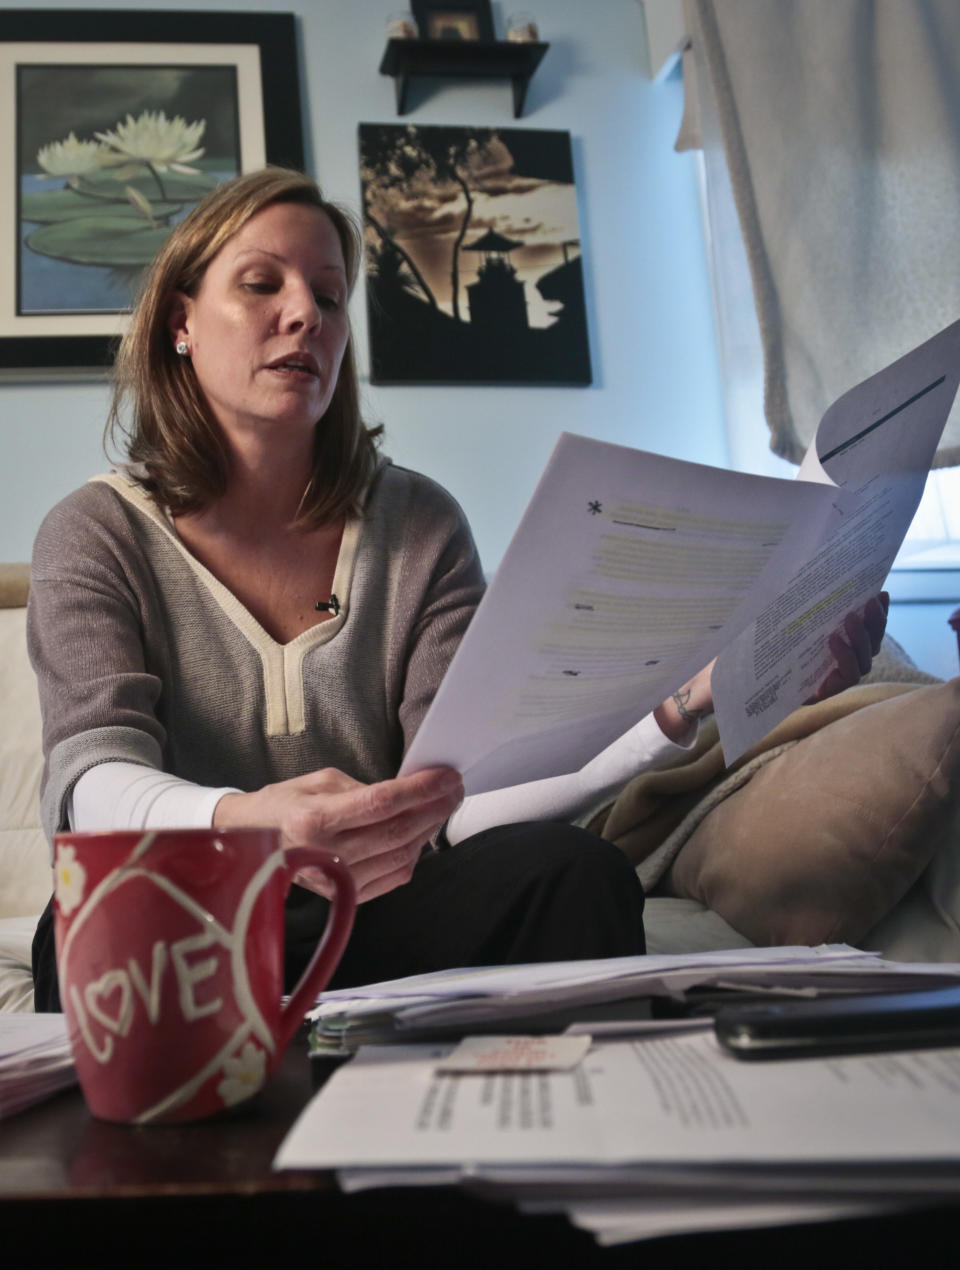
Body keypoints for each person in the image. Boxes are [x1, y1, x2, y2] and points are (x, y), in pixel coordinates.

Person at [28, 168, 887, 1011]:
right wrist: (247, 821)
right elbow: (90, 780)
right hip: (197, 915)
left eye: (330, 298)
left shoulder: (418, 523)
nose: (305, 316)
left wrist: (683, 706)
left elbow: (463, 807)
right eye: (262, 284)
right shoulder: (96, 533)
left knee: (573, 870)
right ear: (181, 322)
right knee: (74, 928)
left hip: (385, 915)